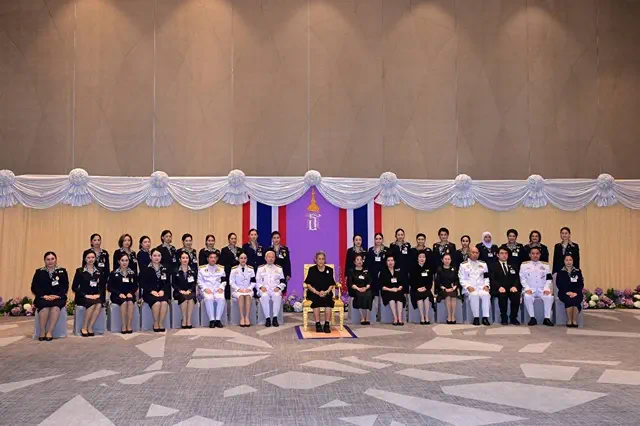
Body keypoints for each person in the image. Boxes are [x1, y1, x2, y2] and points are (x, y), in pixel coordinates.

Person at [31, 252, 68, 341]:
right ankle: (42, 331)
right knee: (44, 308)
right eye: (48, 259)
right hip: (43, 297)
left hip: (58, 297)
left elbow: (65, 286)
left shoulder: (62, 271)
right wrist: (44, 296)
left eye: (52, 259)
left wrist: (57, 296)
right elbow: (34, 287)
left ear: (56, 260)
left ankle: (50, 332)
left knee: (55, 308)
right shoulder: (39, 272)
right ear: (44, 261)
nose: (50, 261)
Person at [72, 251, 106, 337]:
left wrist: (98, 294)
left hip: (95, 296)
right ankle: (84, 327)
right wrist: (86, 295)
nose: (91, 259)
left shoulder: (100, 271)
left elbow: (102, 286)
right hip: (83, 296)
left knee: (99, 304)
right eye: (88, 257)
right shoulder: (80, 271)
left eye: (93, 257)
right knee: (93, 304)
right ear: (85, 259)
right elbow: (74, 287)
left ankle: (90, 327)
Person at [520, 247, 554, 326]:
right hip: (530, 289)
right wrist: (527, 288)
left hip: (542, 289)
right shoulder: (524, 265)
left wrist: (546, 289)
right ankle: (532, 318)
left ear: (540, 255)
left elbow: (549, 279)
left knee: (549, 297)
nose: (535, 255)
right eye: (533, 253)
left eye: (537, 253)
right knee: (527, 297)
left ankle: (547, 318)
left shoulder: (545, 265)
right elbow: (522, 278)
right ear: (529, 255)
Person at [139, 248, 170, 332]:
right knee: (156, 303)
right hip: (149, 293)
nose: (157, 257)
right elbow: (142, 283)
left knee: (164, 303)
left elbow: (167, 282)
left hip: (161, 292)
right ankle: (156, 323)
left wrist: (162, 290)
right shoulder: (145, 268)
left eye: (159, 256)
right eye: (155, 255)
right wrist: (151, 291)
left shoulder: (164, 269)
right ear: (150, 256)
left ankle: (161, 323)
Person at [304, 252, 336, 333]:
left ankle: (326, 324)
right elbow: (308, 284)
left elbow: (331, 284)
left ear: (325, 260)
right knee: (316, 301)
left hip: (326, 292)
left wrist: (326, 292)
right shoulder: (312, 270)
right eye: (319, 259)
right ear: (315, 260)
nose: (321, 261)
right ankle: (317, 324)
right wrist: (317, 292)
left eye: (323, 259)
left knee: (328, 301)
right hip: (314, 292)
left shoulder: (329, 270)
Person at [459, 246, 491, 326]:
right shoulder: (463, 265)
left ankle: (485, 318)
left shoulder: (483, 264)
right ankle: (476, 317)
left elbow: (486, 277)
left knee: (486, 294)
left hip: (481, 287)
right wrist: (467, 286)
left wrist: (486, 285)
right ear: (469, 253)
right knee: (474, 295)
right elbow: (461, 278)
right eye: (473, 252)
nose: (475, 254)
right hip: (470, 288)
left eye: (477, 253)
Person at [490, 247, 522, 325]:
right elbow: (492, 279)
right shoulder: (493, 265)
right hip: (499, 289)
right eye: (502, 253)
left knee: (516, 295)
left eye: (506, 253)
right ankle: (504, 317)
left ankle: (513, 317)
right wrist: (499, 287)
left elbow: (517, 278)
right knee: (503, 295)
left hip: (511, 288)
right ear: (497, 255)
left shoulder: (513, 265)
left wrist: (515, 286)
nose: (504, 255)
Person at [108, 252, 138, 334]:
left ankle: (129, 325)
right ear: (119, 261)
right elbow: (109, 287)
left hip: (129, 294)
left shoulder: (132, 273)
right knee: (124, 302)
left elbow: (135, 286)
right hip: (117, 295)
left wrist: (130, 293)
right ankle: (124, 325)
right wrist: (119, 294)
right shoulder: (114, 273)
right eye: (122, 260)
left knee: (130, 302)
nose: (124, 262)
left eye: (126, 260)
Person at [256, 251, 286, 327]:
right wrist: (261, 287)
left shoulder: (279, 269)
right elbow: (257, 282)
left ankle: (275, 318)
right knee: (264, 296)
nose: (271, 259)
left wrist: (279, 287)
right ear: (265, 258)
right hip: (264, 289)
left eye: (272, 257)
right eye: (269, 257)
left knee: (277, 295)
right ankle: (268, 318)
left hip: (275, 289)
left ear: (275, 258)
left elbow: (283, 282)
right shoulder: (260, 268)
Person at [198, 251, 227, 328]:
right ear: (208, 259)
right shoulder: (202, 269)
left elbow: (224, 280)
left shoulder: (221, 269)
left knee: (221, 298)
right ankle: (212, 320)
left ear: (217, 259)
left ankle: (218, 320)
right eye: (211, 258)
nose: (213, 259)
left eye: (214, 258)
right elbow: (199, 281)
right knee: (209, 298)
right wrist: (205, 288)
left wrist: (221, 288)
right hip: (207, 289)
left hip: (217, 289)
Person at [555, 254, 584, 328]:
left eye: (570, 260)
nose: (568, 262)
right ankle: (569, 320)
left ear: (573, 261)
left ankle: (574, 320)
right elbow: (559, 284)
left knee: (577, 300)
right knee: (569, 300)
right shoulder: (560, 272)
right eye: (567, 260)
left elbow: (581, 284)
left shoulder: (578, 271)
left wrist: (575, 292)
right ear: (564, 261)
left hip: (576, 292)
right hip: (564, 292)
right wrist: (567, 292)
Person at [229, 252, 256, 327]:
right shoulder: (234, 269)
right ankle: (242, 317)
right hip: (237, 290)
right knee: (240, 296)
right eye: (241, 258)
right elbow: (231, 282)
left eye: (245, 258)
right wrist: (238, 289)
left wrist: (249, 288)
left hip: (248, 289)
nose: (243, 260)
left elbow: (253, 282)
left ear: (247, 259)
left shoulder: (251, 269)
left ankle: (247, 317)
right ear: (238, 259)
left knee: (247, 296)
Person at [380, 255, 406, 326]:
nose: (390, 262)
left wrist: (398, 288)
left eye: (392, 260)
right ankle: (395, 318)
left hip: (398, 290)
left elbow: (402, 283)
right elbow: (381, 286)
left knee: (400, 298)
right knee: (391, 299)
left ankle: (400, 319)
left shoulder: (398, 271)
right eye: (388, 261)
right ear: (386, 262)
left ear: (394, 262)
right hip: (387, 291)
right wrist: (390, 289)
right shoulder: (383, 272)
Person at [173, 252, 197, 329]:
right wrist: (180, 290)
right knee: (184, 298)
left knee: (191, 298)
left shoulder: (192, 270)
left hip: (190, 291)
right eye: (183, 258)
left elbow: (194, 283)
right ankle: (184, 319)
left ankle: (189, 319)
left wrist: (190, 290)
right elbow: (173, 283)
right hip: (178, 292)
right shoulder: (175, 270)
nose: (185, 259)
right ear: (180, 259)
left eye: (187, 258)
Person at [347, 253, 373, 325]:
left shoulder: (366, 270)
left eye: (361, 260)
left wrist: (366, 287)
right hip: (356, 289)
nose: (359, 261)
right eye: (357, 260)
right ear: (354, 262)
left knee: (369, 294)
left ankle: (367, 316)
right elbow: (350, 283)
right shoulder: (351, 271)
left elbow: (370, 281)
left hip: (366, 288)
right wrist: (358, 288)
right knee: (359, 295)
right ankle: (362, 317)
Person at [409, 252, 434, 325]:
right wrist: (417, 288)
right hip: (415, 289)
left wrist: (425, 288)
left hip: (426, 289)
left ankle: (426, 316)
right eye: (420, 257)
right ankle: (422, 317)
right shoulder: (413, 267)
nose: (422, 259)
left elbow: (430, 281)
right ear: (417, 258)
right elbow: (411, 281)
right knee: (419, 297)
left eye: (423, 257)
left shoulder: (428, 268)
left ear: (426, 258)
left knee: (426, 297)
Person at [435, 253, 460, 324]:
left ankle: (453, 315)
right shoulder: (439, 269)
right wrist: (444, 288)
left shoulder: (454, 269)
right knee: (448, 296)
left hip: (452, 288)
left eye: (448, 259)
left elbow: (457, 279)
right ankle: (449, 315)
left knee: (453, 296)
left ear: (451, 260)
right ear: (442, 260)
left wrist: (454, 287)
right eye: (445, 259)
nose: (447, 261)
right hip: (443, 289)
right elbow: (438, 281)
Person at [220, 233, 243, 299]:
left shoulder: (240, 250)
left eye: (235, 239)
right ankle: (228, 302)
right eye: (232, 239)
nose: (234, 240)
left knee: (237, 288)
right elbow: (222, 263)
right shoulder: (224, 250)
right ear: (229, 240)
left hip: (237, 273)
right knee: (228, 289)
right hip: (228, 272)